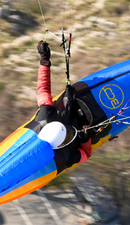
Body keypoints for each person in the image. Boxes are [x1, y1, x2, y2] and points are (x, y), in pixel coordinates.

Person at [32, 40, 93, 170]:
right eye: (68, 134)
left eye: (67, 130)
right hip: (96, 119)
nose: (70, 131)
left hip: (79, 99)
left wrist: (44, 60)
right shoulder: (67, 157)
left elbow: (43, 88)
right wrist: (85, 140)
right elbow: (86, 154)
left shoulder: (45, 115)